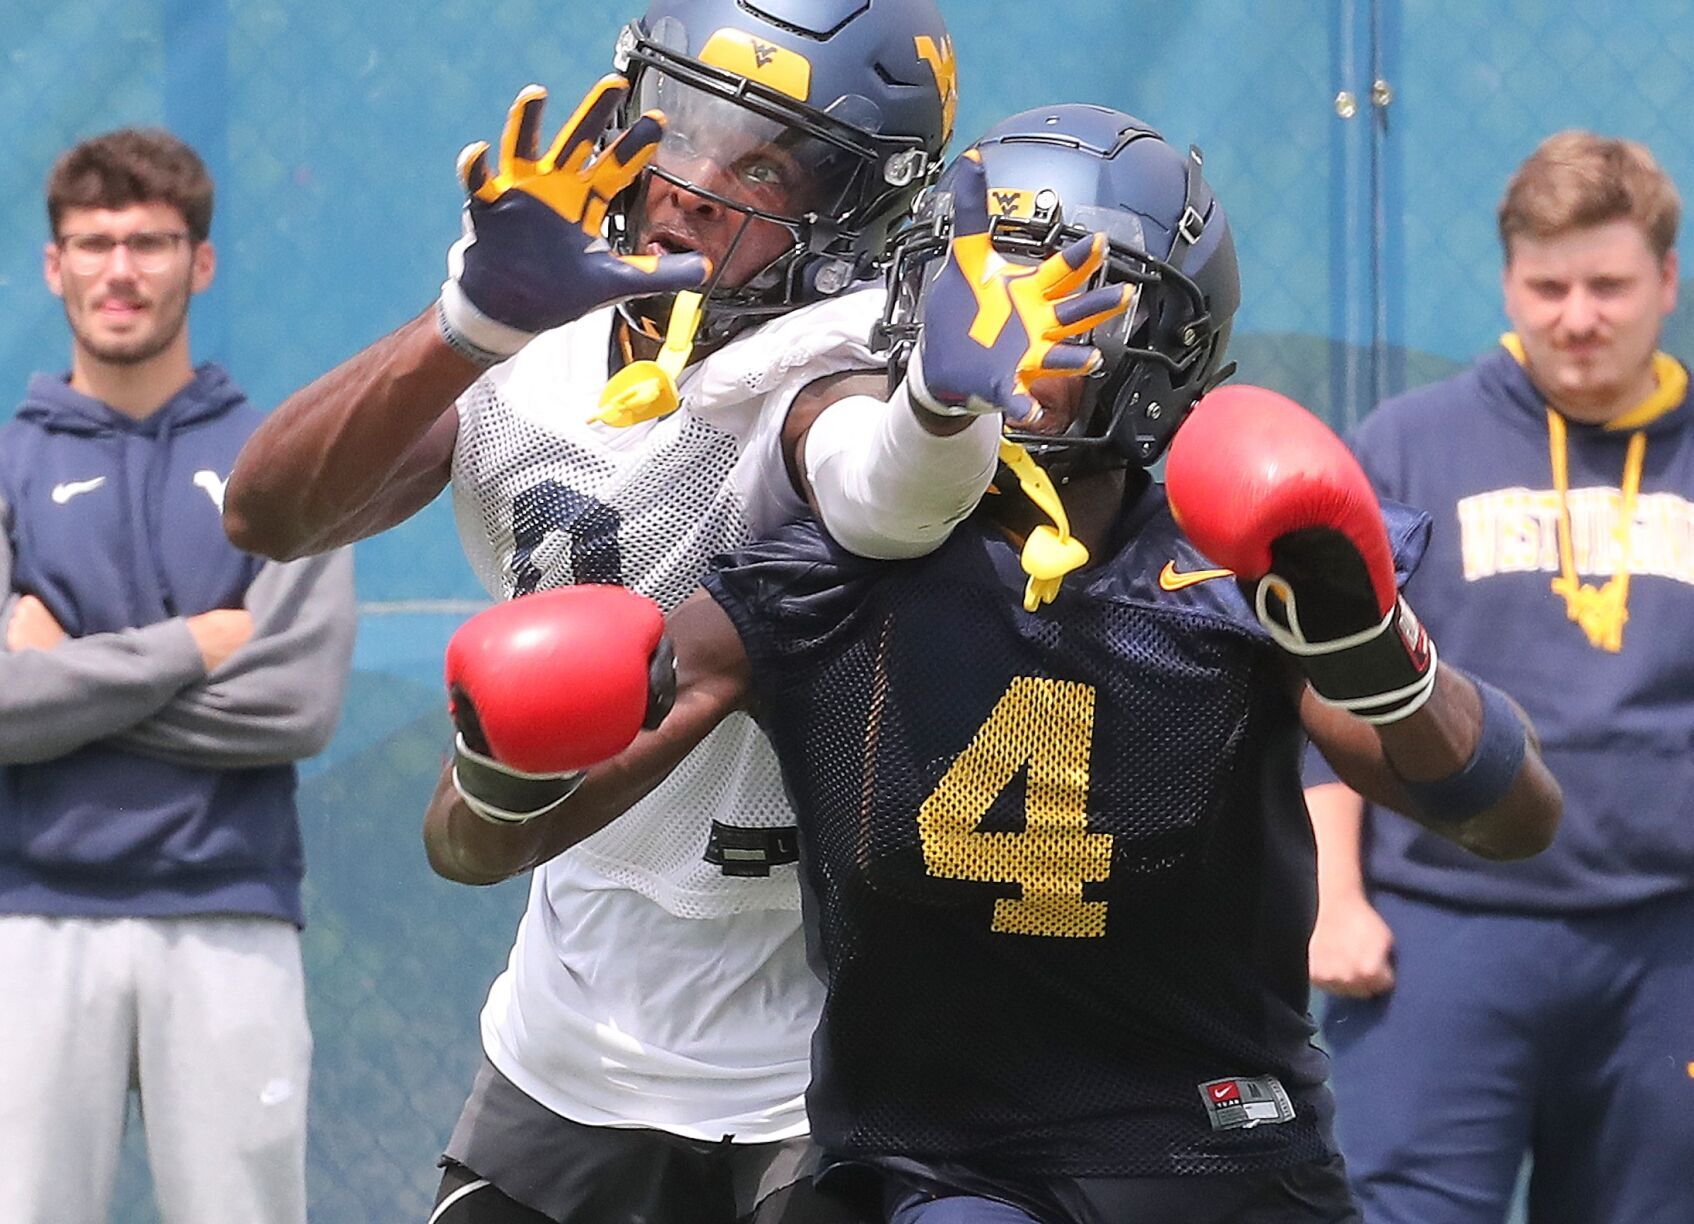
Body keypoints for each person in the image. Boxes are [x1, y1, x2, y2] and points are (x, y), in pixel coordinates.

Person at [432, 106, 1562, 1224]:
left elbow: (1507, 819)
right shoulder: (831, 573)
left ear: (1162, 340)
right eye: (976, 285)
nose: (1012, 331)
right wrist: (507, 755)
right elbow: (480, 842)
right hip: (934, 1165)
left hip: (1210, 1151)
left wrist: (1380, 657)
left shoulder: (1227, 564)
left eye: (1062, 293)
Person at [219, 3, 1055, 1220]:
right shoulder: (537, 331)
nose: (695, 184)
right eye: (683, 127)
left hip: (812, 1047)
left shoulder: (835, 359)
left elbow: (881, 498)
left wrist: (939, 412)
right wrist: (465, 328)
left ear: (860, 201)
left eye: (763, 158)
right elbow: (271, 515)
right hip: (570, 1020)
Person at [1302, 129, 1694, 1224]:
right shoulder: (1406, 446)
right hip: (1440, 938)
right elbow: (1320, 699)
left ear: (1666, 279)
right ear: (1508, 281)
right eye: (1548, 284)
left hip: (1666, 949)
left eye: (1608, 285)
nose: (1576, 316)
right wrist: (1334, 902)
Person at [0, 129, 356, 1224]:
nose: (121, 270)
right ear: (54, 265)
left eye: (150, 243)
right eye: (94, 244)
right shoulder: (9, 462)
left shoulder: (280, 462)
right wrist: (188, 649)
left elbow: (295, 703)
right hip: (28, 918)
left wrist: (67, 680)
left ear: (198, 262)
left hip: (229, 913)